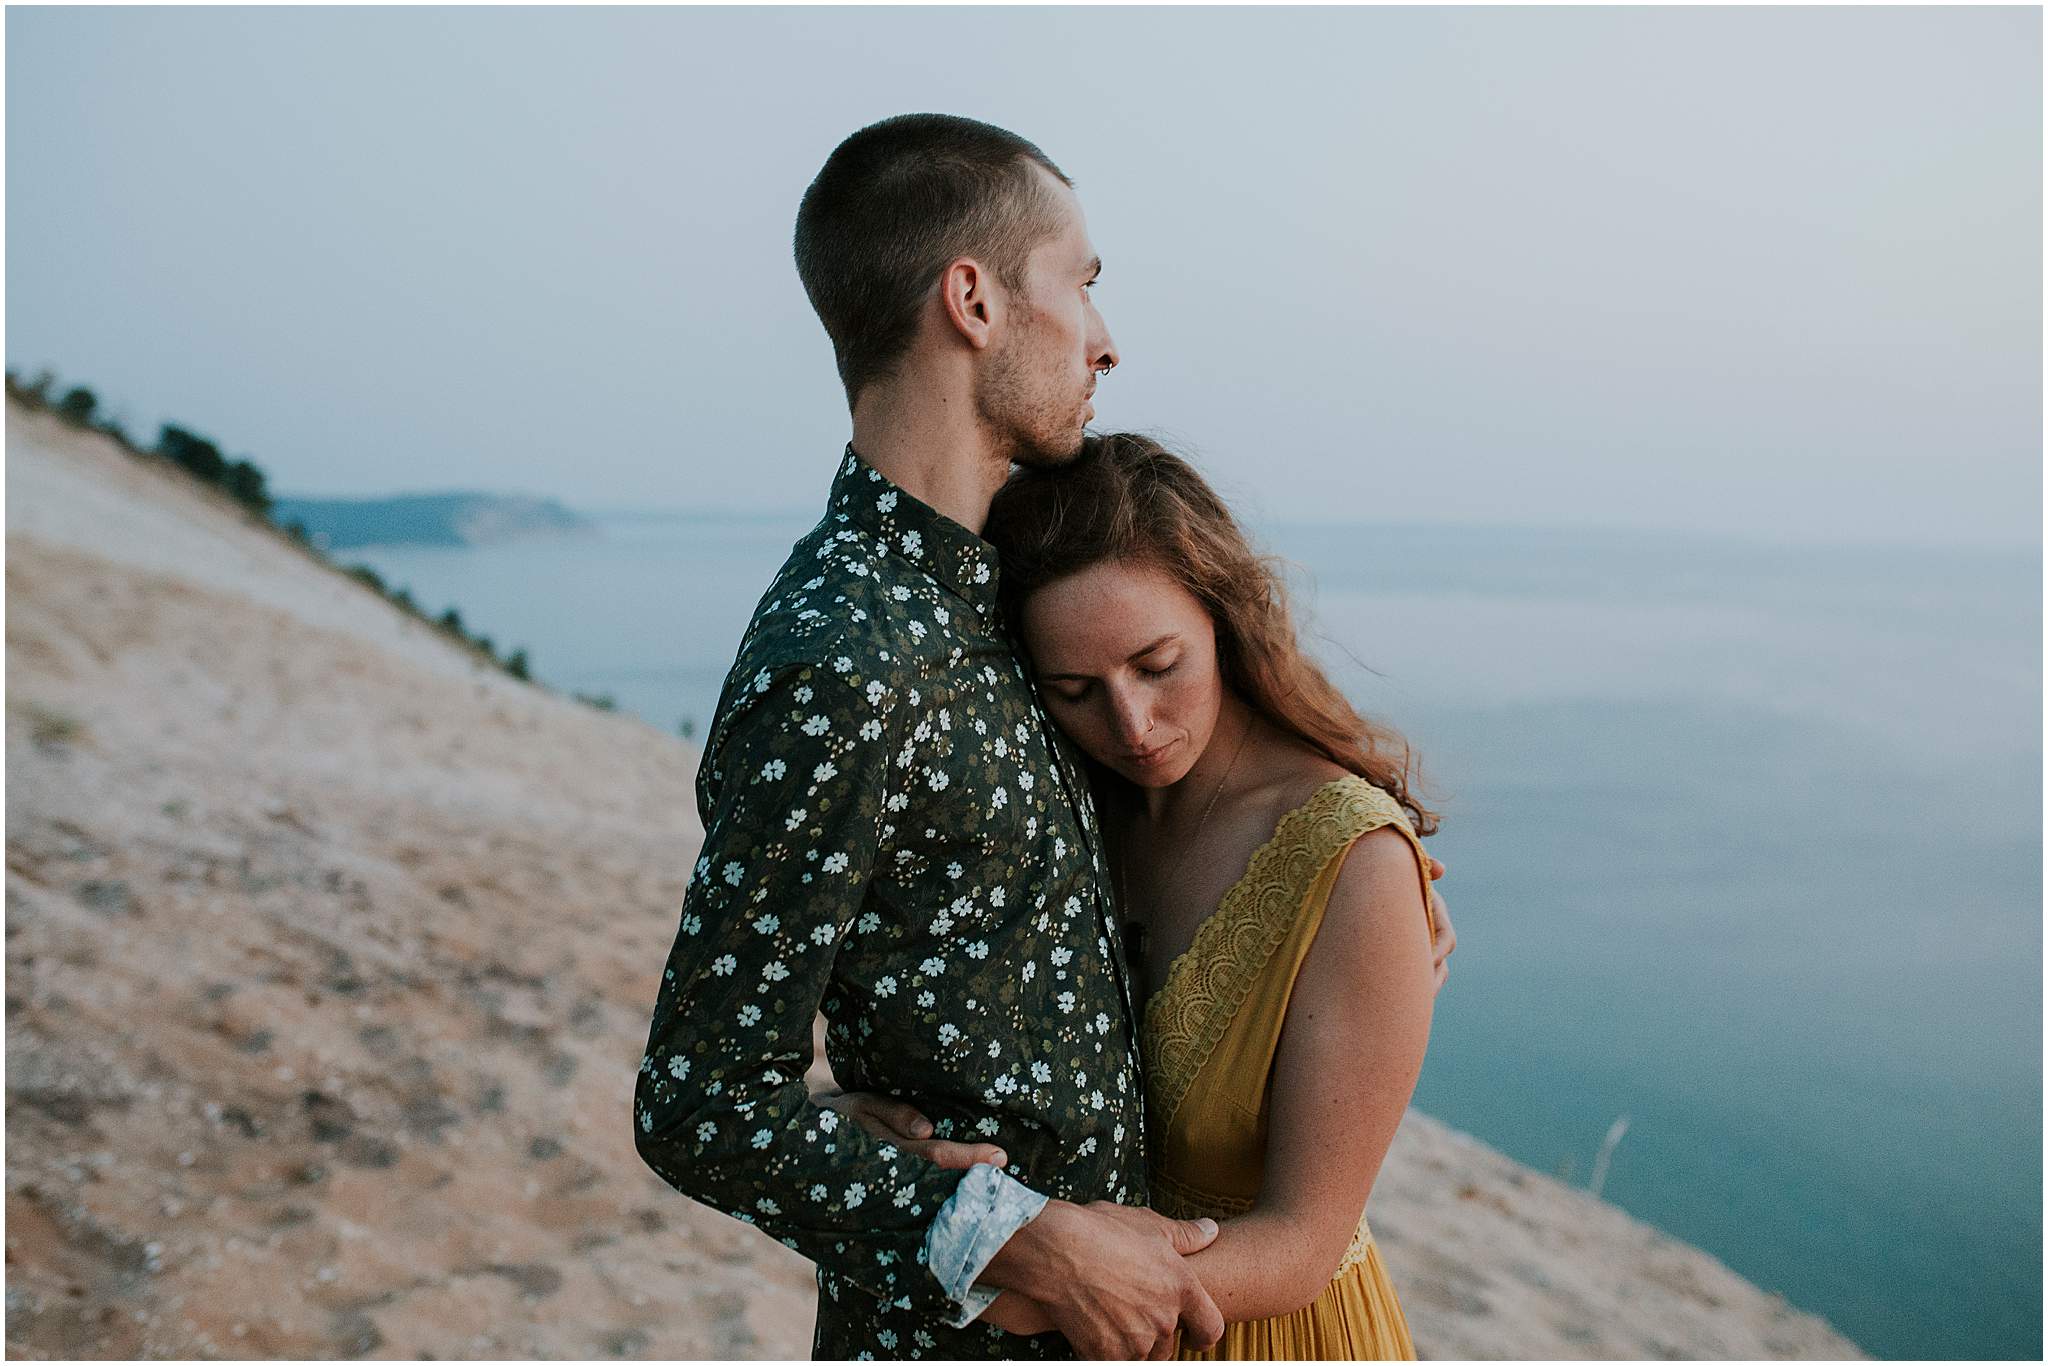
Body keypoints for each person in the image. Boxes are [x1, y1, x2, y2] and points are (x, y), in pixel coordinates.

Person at [631, 112, 1455, 1361]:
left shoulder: (993, 599)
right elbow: (698, 1098)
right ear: (972, 299)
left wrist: (1352, 884)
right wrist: (1004, 1234)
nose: (1105, 339)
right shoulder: (844, 655)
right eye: (1082, 283)